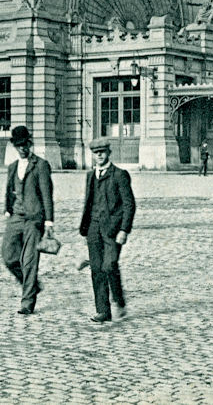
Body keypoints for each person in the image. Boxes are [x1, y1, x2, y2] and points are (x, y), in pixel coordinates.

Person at [79, 138, 136, 323]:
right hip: (93, 229)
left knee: (109, 265)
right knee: (97, 269)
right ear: (93, 155)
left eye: (102, 152)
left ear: (109, 153)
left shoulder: (119, 175)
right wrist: (86, 229)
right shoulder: (90, 175)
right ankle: (103, 310)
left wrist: (124, 230)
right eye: (96, 153)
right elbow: (88, 203)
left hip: (113, 230)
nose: (100, 155)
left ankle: (119, 300)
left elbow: (129, 204)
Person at [2, 125, 54, 316]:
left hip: (34, 218)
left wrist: (49, 222)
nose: (22, 148)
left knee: (30, 260)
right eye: (19, 145)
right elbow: (8, 190)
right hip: (16, 216)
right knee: (8, 256)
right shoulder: (13, 167)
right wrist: (8, 210)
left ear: (30, 143)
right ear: (15, 146)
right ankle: (31, 284)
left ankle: (27, 302)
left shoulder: (40, 165)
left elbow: (47, 195)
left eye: (25, 144)